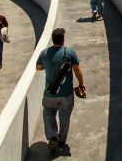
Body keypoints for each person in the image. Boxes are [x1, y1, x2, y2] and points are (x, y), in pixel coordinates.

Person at [36, 28, 86, 156]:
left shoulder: (44, 53)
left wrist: (48, 66)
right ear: (63, 39)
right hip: (66, 94)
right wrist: (81, 84)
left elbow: (38, 68)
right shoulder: (70, 53)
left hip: (50, 94)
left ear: (53, 39)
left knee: (48, 113)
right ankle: (62, 139)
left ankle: (52, 137)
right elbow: (77, 70)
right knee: (65, 116)